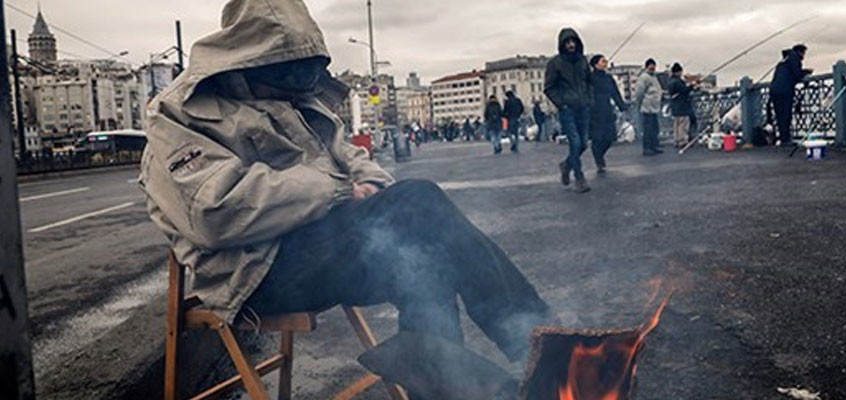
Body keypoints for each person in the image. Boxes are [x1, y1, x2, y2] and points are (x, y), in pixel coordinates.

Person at [140, 0, 550, 377]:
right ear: (246, 61)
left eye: (305, 70)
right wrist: (335, 191)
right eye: (287, 70)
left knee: (424, 260)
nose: (298, 83)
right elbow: (215, 209)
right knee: (418, 201)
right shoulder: (179, 114)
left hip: (326, 249)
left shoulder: (298, 99)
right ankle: (543, 346)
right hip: (257, 271)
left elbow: (348, 155)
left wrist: (368, 181)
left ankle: (450, 383)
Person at [544, 28, 594, 193]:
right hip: (567, 109)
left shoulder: (582, 61)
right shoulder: (555, 63)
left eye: (573, 42)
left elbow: (590, 82)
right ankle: (579, 178)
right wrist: (561, 104)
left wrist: (589, 100)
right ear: (562, 45)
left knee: (584, 143)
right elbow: (549, 88)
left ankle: (566, 165)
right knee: (575, 142)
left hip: (583, 108)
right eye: (567, 42)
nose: (571, 45)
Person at [588, 54, 627, 174]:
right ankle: (599, 161)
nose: (605, 63)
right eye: (603, 61)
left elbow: (615, 93)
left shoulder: (608, 78)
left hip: (607, 109)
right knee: (597, 138)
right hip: (594, 111)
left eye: (605, 61)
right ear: (595, 64)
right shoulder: (590, 78)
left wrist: (622, 106)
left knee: (609, 138)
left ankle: (599, 155)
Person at [769, 44, 813, 146]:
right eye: (804, 53)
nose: (803, 56)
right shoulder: (794, 58)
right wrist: (806, 72)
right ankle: (786, 140)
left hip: (774, 90)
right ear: (800, 52)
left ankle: (783, 139)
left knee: (780, 115)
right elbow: (796, 74)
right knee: (786, 115)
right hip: (784, 90)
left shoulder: (783, 61)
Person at [634, 58, 664, 156]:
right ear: (647, 66)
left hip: (655, 107)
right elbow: (639, 92)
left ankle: (654, 146)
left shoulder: (654, 77)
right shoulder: (644, 77)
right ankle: (647, 148)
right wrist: (640, 103)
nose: (653, 69)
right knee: (648, 129)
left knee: (655, 128)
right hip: (647, 107)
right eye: (651, 67)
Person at [667, 63, 696, 148]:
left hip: (675, 106)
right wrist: (692, 86)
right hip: (682, 106)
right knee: (683, 124)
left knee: (676, 124)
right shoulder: (678, 81)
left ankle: (676, 140)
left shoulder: (670, 81)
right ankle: (682, 141)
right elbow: (685, 90)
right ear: (678, 72)